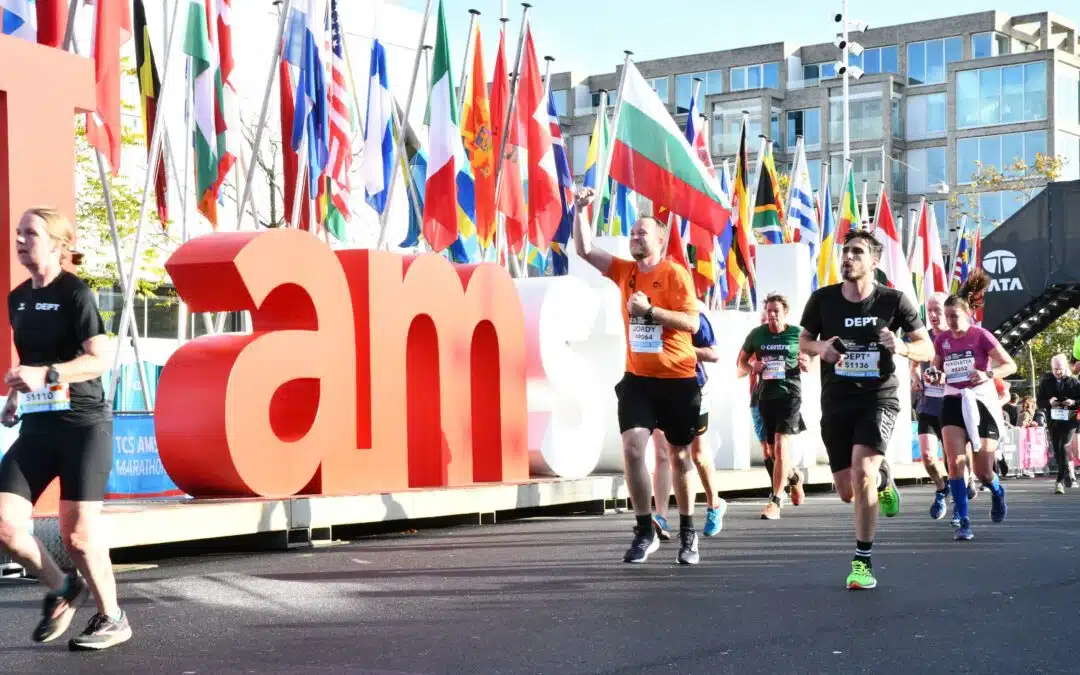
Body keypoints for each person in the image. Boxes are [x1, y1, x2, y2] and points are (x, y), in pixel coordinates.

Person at [0, 207, 131, 650]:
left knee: (77, 535)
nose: (21, 239)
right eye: (18, 232)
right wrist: (17, 395)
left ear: (57, 244)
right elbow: (30, 362)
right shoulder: (16, 299)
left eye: (31, 232)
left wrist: (49, 373)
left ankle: (112, 616)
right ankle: (62, 587)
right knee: (4, 525)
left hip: (83, 426)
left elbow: (100, 359)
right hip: (38, 427)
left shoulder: (76, 293)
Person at [573, 188, 702, 565]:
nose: (634, 238)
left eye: (642, 233)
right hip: (638, 380)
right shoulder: (625, 271)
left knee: (678, 458)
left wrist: (651, 312)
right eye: (632, 233)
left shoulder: (675, 273)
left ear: (660, 239)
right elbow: (584, 250)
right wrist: (581, 210)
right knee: (632, 449)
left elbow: (692, 322)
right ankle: (645, 528)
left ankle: (688, 530)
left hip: (678, 379)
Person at [799, 230, 935, 590]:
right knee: (847, 490)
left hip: (879, 397)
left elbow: (927, 348)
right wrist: (819, 348)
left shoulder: (894, 300)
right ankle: (884, 478)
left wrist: (903, 347)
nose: (848, 258)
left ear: (874, 261)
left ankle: (862, 561)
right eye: (845, 252)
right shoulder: (822, 300)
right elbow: (803, 340)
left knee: (861, 471)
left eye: (857, 252)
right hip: (837, 399)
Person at [930, 270, 1016, 540]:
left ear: (967, 314)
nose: (950, 322)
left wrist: (987, 374)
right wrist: (932, 374)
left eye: (954, 316)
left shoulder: (981, 336)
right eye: (946, 317)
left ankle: (997, 492)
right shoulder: (942, 340)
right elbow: (937, 367)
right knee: (955, 462)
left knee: (982, 471)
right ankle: (964, 520)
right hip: (953, 400)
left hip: (981, 401)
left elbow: (1010, 365)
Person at [651, 299, 727, 539]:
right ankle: (660, 517)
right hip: (657, 387)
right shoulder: (647, 311)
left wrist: (683, 351)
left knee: (697, 454)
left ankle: (715, 505)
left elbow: (714, 354)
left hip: (693, 387)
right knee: (662, 453)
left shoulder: (693, 313)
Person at [737, 292, 807, 519]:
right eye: (768, 311)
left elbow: (816, 358)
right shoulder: (757, 335)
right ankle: (795, 478)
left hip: (790, 394)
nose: (772, 315)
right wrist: (752, 367)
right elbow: (740, 365)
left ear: (785, 313)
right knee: (770, 452)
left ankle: (776, 500)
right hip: (766, 396)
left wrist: (808, 361)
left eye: (776, 311)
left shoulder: (797, 334)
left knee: (779, 445)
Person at [910, 292, 952, 520]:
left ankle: (959, 500)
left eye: (938, 310)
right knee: (927, 455)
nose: (933, 315)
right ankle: (940, 487)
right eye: (930, 310)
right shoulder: (924, 339)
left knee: (953, 460)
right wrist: (915, 378)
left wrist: (945, 378)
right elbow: (914, 365)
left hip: (952, 407)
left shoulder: (956, 338)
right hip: (928, 406)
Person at [1036, 354, 1080, 494]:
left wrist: (1073, 402)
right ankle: (1067, 474)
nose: (1058, 372)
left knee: (1063, 446)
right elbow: (1039, 402)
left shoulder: (1074, 383)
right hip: (1053, 420)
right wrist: (1049, 402)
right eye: (1055, 369)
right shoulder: (1046, 381)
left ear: (1066, 367)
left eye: (1060, 369)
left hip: (1070, 419)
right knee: (1056, 449)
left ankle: (1059, 481)